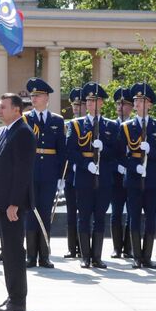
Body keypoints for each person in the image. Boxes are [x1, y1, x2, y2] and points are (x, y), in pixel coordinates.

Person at [0, 92, 33, 311]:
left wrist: (15, 202)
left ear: (16, 109)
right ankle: (12, 295)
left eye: (3, 107)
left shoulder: (23, 132)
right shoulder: (2, 132)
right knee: (8, 251)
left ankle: (18, 300)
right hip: (1, 202)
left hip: (12, 206)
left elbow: (22, 172)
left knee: (14, 251)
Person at [67, 82, 119, 269]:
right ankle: (85, 256)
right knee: (83, 216)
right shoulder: (76, 124)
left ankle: (96, 256)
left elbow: (118, 153)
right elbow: (70, 150)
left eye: (94, 100)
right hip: (83, 175)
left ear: (102, 103)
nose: (90, 104)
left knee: (100, 216)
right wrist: (85, 163)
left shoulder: (111, 126)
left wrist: (104, 150)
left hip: (103, 176)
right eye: (88, 100)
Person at [121, 82, 156, 269]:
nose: (138, 104)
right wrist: (134, 167)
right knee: (133, 217)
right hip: (134, 179)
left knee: (150, 217)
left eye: (141, 101)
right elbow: (120, 155)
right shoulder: (126, 127)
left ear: (149, 104)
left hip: (153, 179)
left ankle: (147, 256)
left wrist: (152, 151)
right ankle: (136, 256)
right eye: (135, 101)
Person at [23, 77, 66, 269]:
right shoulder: (25, 119)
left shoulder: (57, 120)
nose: (34, 98)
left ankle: (45, 256)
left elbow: (62, 150)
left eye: (38, 95)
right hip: (30, 172)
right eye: (32, 95)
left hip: (49, 172)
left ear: (46, 98)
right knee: (31, 213)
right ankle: (31, 256)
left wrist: (61, 177)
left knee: (46, 213)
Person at [110, 87, 132, 258]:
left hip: (132, 173)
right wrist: (117, 165)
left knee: (132, 212)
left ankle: (129, 247)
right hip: (116, 177)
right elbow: (109, 151)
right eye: (118, 103)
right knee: (116, 212)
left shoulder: (135, 126)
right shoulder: (112, 126)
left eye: (124, 104)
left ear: (131, 107)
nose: (120, 107)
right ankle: (117, 247)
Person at [62, 87, 83, 260]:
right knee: (71, 212)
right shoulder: (68, 125)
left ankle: (83, 245)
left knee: (84, 212)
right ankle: (72, 247)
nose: (76, 108)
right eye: (74, 105)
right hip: (70, 175)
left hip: (86, 174)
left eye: (80, 104)